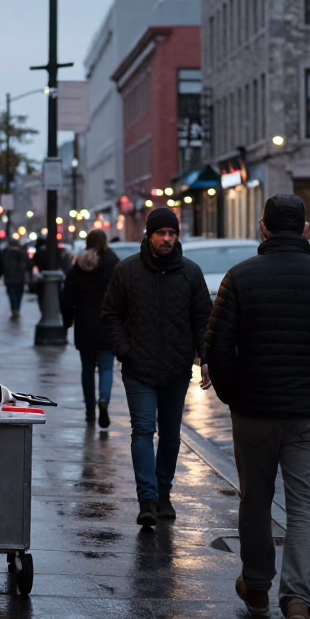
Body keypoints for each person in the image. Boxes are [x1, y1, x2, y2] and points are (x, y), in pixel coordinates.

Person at [205, 194, 310, 619]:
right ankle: (298, 601)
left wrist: (233, 395)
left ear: (263, 229)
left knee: (256, 498)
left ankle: (257, 586)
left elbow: (216, 349)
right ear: (304, 230)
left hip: (255, 410)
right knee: (305, 507)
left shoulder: (240, 278)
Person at [101, 206, 212, 528]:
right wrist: (126, 352)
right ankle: (147, 498)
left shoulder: (190, 273)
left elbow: (203, 318)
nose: (166, 239)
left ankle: (164, 493)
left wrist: (205, 357)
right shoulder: (128, 271)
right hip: (139, 368)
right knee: (143, 430)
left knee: (172, 436)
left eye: (171, 233)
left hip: (177, 369)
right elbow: (111, 316)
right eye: (161, 233)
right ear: (149, 235)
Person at [61, 229, 119, 427]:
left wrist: (67, 322)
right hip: (107, 324)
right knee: (106, 368)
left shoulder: (78, 267)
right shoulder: (113, 264)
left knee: (87, 370)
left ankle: (89, 410)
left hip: (85, 325)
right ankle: (104, 400)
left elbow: (67, 299)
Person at [2, 238, 29, 319]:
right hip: (19, 277)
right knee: (18, 295)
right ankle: (16, 309)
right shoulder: (22, 252)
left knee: (12, 294)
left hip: (10, 277)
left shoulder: (6, 253)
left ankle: (14, 309)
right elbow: (27, 263)